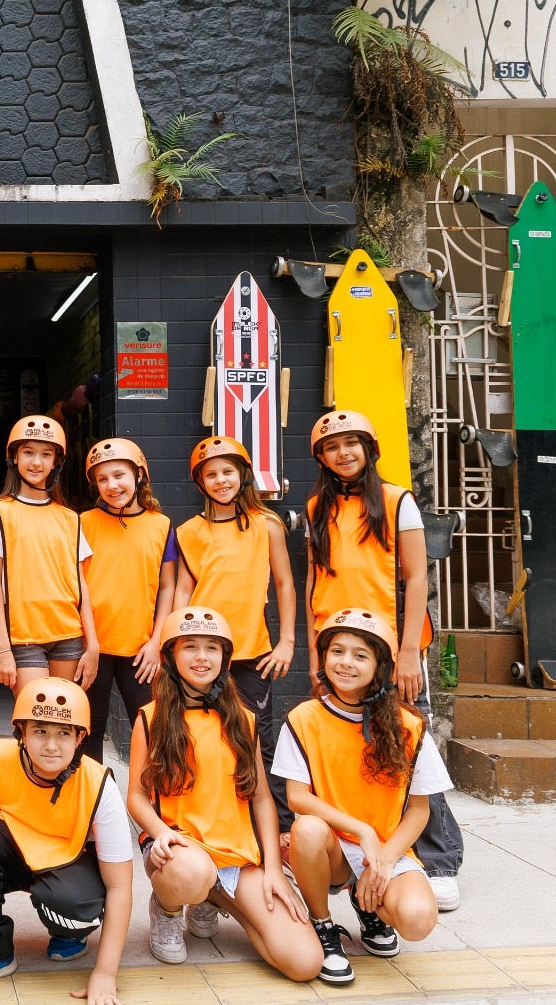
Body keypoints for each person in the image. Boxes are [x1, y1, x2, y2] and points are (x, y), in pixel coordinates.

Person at [306, 410, 464, 910]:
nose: (343, 453)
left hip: (392, 648)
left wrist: (409, 651)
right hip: (338, 648)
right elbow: (314, 582)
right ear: (321, 458)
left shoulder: (398, 502)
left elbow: (417, 578)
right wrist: (314, 653)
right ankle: (362, 853)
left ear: (369, 448)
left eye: (351, 443)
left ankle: (439, 861)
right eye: (332, 447)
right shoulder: (316, 507)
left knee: (410, 750)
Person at [126, 607, 321, 980]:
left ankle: (215, 898)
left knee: (304, 963)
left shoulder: (244, 720)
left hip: (237, 858)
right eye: (190, 646)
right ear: (170, 656)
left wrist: (273, 870)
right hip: (180, 851)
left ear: (225, 657)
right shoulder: (150, 718)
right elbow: (135, 796)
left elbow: (262, 799)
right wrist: (161, 833)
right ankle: (168, 909)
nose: (201, 657)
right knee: (193, 872)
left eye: (212, 648)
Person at [0, 677, 132, 1003]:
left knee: (77, 911)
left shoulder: (98, 784)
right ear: (20, 732)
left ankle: (68, 933)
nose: (51, 745)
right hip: (12, 853)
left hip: (65, 865)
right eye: (40, 731)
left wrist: (105, 972)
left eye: (64, 733)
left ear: (80, 738)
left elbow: (120, 886)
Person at [274, 608, 448, 985]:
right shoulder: (303, 718)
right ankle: (323, 925)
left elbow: (419, 811)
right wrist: (362, 833)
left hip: (387, 848)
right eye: (337, 651)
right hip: (334, 847)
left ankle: (368, 905)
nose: (345, 663)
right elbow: (297, 798)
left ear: (379, 666)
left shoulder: (410, 725)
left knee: (418, 920)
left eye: (360, 655)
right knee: (306, 829)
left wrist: (382, 859)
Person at [174, 436, 296, 827]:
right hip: (200, 651)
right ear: (200, 483)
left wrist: (287, 642)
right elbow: (183, 590)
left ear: (243, 474)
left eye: (227, 471)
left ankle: (279, 828)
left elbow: (284, 584)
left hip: (251, 650)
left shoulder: (267, 524)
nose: (220, 480)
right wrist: (174, 643)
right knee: (203, 737)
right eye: (211, 474)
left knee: (259, 740)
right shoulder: (189, 531)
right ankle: (218, 819)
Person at [0, 416, 99, 692]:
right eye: (28, 452)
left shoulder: (70, 518)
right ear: (14, 457)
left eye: (46, 454)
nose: (36, 462)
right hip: (23, 636)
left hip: (69, 633)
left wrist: (92, 645)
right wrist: (1, 648)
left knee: (65, 715)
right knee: (33, 713)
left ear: (56, 461)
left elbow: (81, 583)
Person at [80, 437, 174, 765]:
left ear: (139, 475)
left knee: (150, 728)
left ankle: (145, 793)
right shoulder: (84, 522)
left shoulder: (161, 525)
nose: (112, 485)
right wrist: (89, 643)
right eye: (102, 479)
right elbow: (77, 584)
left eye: (119, 475)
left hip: (140, 648)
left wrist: (157, 641)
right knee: (88, 730)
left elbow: (167, 587)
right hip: (92, 645)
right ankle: (94, 794)